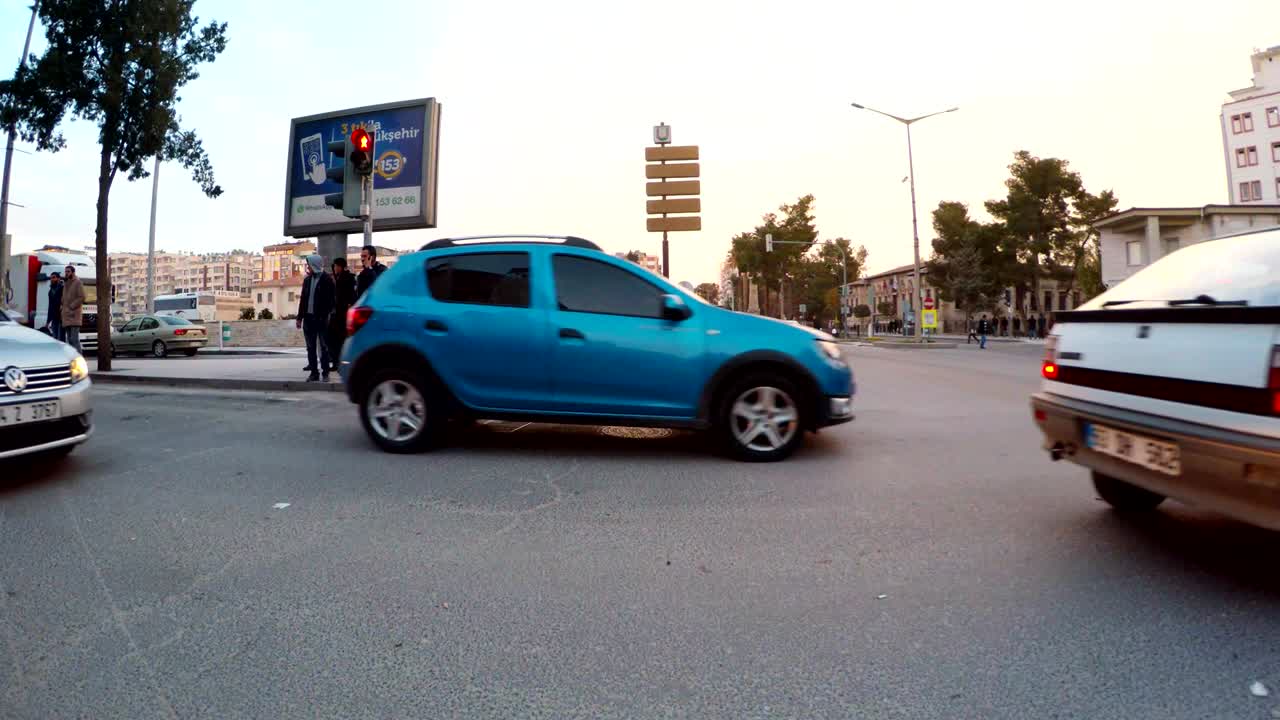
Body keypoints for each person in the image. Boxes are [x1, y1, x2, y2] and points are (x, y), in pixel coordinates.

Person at [296, 255, 335, 381]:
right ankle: (314, 373)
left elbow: (331, 301)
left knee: (323, 347)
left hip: (321, 319)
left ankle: (325, 373)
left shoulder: (327, 280)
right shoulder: (307, 280)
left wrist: (325, 315)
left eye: (309, 265)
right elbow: (303, 300)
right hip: (308, 319)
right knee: (310, 347)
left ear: (314, 265)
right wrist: (299, 317)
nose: (308, 267)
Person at [327, 257, 357, 372]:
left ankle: (340, 364)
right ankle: (336, 362)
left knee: (340, 341)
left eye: (335, 266)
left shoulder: (348, 278)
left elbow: (352, 296)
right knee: (332, 339)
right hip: (336, 314)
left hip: (343, 315)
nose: (334, 268)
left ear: (340, 267)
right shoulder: (337, 278)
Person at [61, 264, 85, 353]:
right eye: (65, 272)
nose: (66, 273)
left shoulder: (78, 282)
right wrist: (62, 306)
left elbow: (82, 297)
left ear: (73, 272)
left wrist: (71, 307)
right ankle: (73, 358)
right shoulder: (66, 283)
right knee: (69, 340)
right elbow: (64, 299)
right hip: (66, 315)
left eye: (68, 271)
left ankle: (80, 357)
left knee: (74, 339)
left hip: (74, 315)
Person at [46, 271, 64, 341]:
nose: (52, 279)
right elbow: (50, 306)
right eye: (51, 278)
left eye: (54, 278)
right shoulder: (50, 291)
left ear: (59, 279)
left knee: (61, 338)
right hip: (54, 318)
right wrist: (48, 321)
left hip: (61, 317)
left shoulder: (63, 288)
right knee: (55, 338)